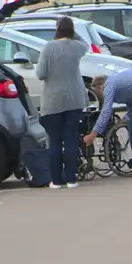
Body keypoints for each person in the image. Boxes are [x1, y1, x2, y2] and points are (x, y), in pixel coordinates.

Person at [34, 16, 88, 188]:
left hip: (53, 101)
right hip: (75, 99)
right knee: (71, 139)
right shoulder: (77, 47)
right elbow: (85, 42)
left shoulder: (48, 48)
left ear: (56, 29)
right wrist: (70, 31)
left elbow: (41, 74)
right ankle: (72, 178)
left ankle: (56, 180)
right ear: (72, 30)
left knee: (55, 141)